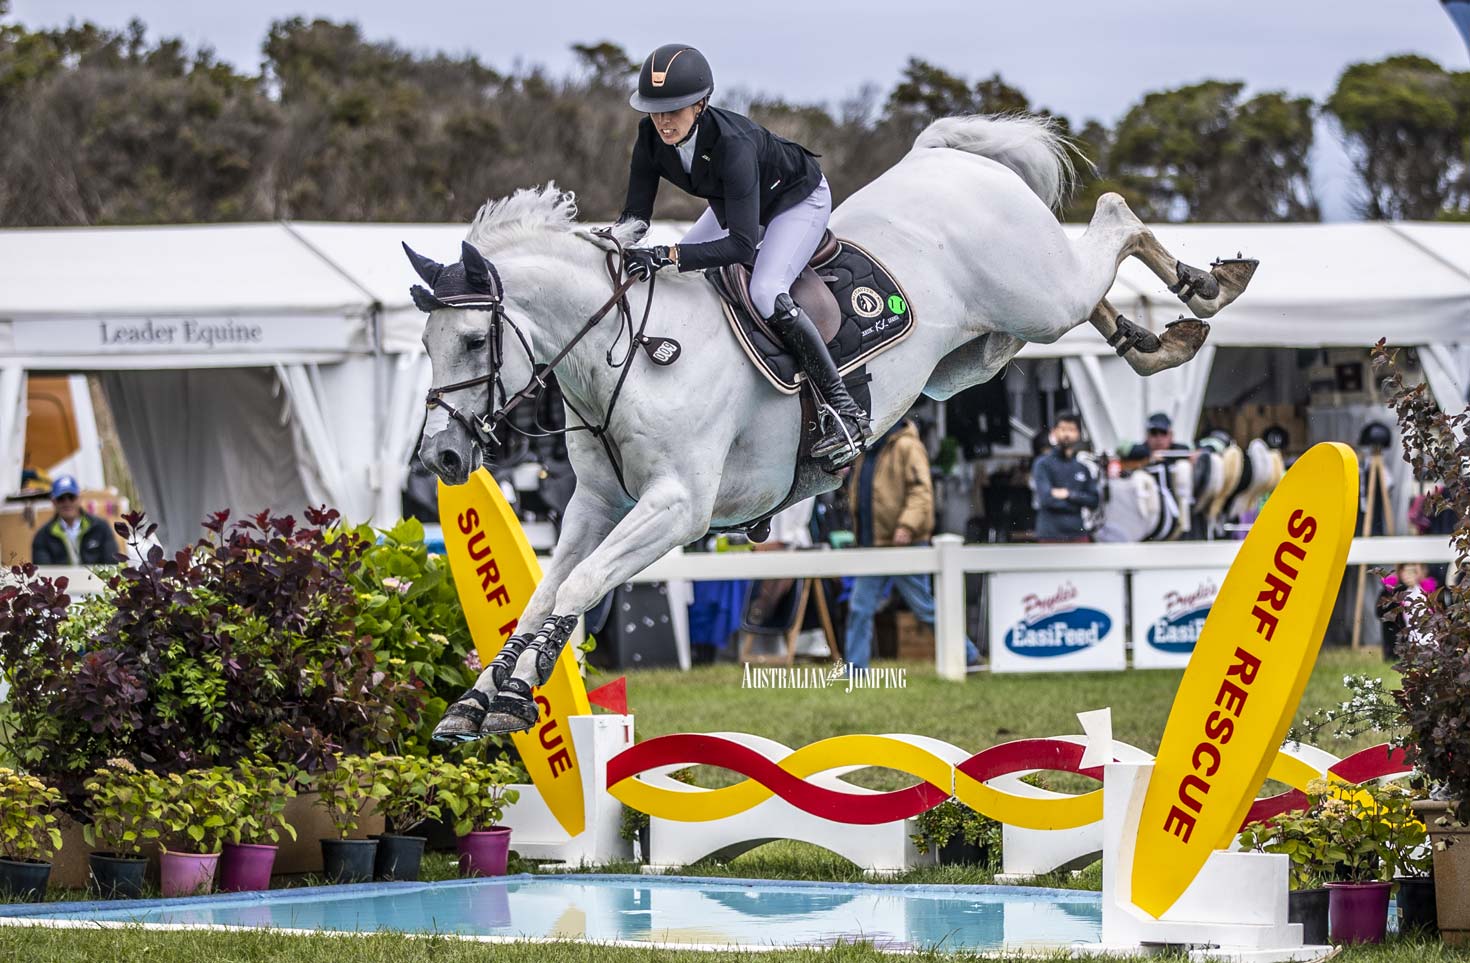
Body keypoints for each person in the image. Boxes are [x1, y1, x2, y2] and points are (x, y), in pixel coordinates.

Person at [614, 43, 869, 465]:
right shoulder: (649, 138)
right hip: (735, 205)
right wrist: (610, 246)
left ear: (700, 105)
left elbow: (741, 246)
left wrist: (667, 254)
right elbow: (635, 220)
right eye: (655, 110)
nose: (662, 120)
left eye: (672, 110)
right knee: (686, 278)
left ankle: (846, 411)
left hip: (795, 202)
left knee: (766, 290)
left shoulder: (733, 144)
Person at [843, 418, 981, 670]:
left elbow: (922, 491)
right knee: (859, 608)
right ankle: (855, 670)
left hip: (904, 544)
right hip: (874, 543)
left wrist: (906, 526)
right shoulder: (867, 448)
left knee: (924, 608)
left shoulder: (908, 446)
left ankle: (968, 655)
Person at [1031, 412, 1100, 543]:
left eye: (1071, 430)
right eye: (1063, 429)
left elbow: (1094, 500)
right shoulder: (1043, 464)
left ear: (1078, 434)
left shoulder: (1082, 468)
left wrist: (1069, 494)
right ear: (1054, 432)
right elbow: (1046, 499)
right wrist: (1079, 500)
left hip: (1077, 532)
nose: (1067, 434)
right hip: (1050, 533)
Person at [30, 475, 119, 565]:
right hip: (61, 579)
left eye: (71, 497)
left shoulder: (100, 527)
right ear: (53, 501)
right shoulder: (42, 536)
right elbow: (44, 571)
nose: (67, 502)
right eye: (61, 498)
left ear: (79, 498)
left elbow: (112, 563)